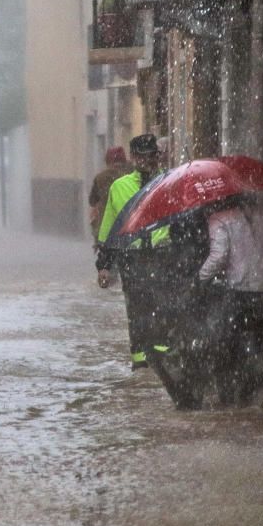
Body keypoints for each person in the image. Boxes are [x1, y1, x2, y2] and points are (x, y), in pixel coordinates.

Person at [95, 133, 169, 370]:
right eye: (142, 157)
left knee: (162, 306)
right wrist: (104, 265)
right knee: (137, 308)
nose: (148, 161)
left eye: (152, 157)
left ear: (158, 158)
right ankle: (140, 361)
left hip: (162, 255)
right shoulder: (120, 187)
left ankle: (163, 357)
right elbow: (109, 229)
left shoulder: (167, 182)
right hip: (132, 258)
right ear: (134, 158)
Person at [197, 193, 263, 405]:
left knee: (229, 344)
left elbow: (219, 255)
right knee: (258, 341)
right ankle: (253, 394)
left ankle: (232, 397)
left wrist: (199, 278)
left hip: (240, 292)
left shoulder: (219, 219)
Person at [87, 146, 132, 243]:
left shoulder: (101, 178)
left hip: (107, 226)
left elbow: (92, 201)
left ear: (108, 160)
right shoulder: (133, 172)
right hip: (131, 223)